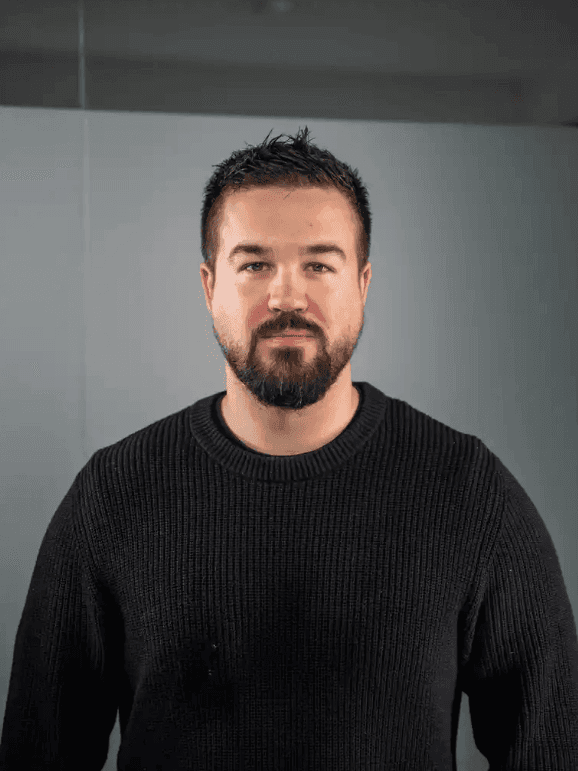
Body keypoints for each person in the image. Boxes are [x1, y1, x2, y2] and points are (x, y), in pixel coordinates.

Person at [1, 127, 577, 770]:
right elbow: (38, 753)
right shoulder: (114, 495)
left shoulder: (467, 492)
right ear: (207, 285)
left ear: (361, 284)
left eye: (319, 264)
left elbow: (552, 748)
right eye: (254, 265)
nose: (287, 297)